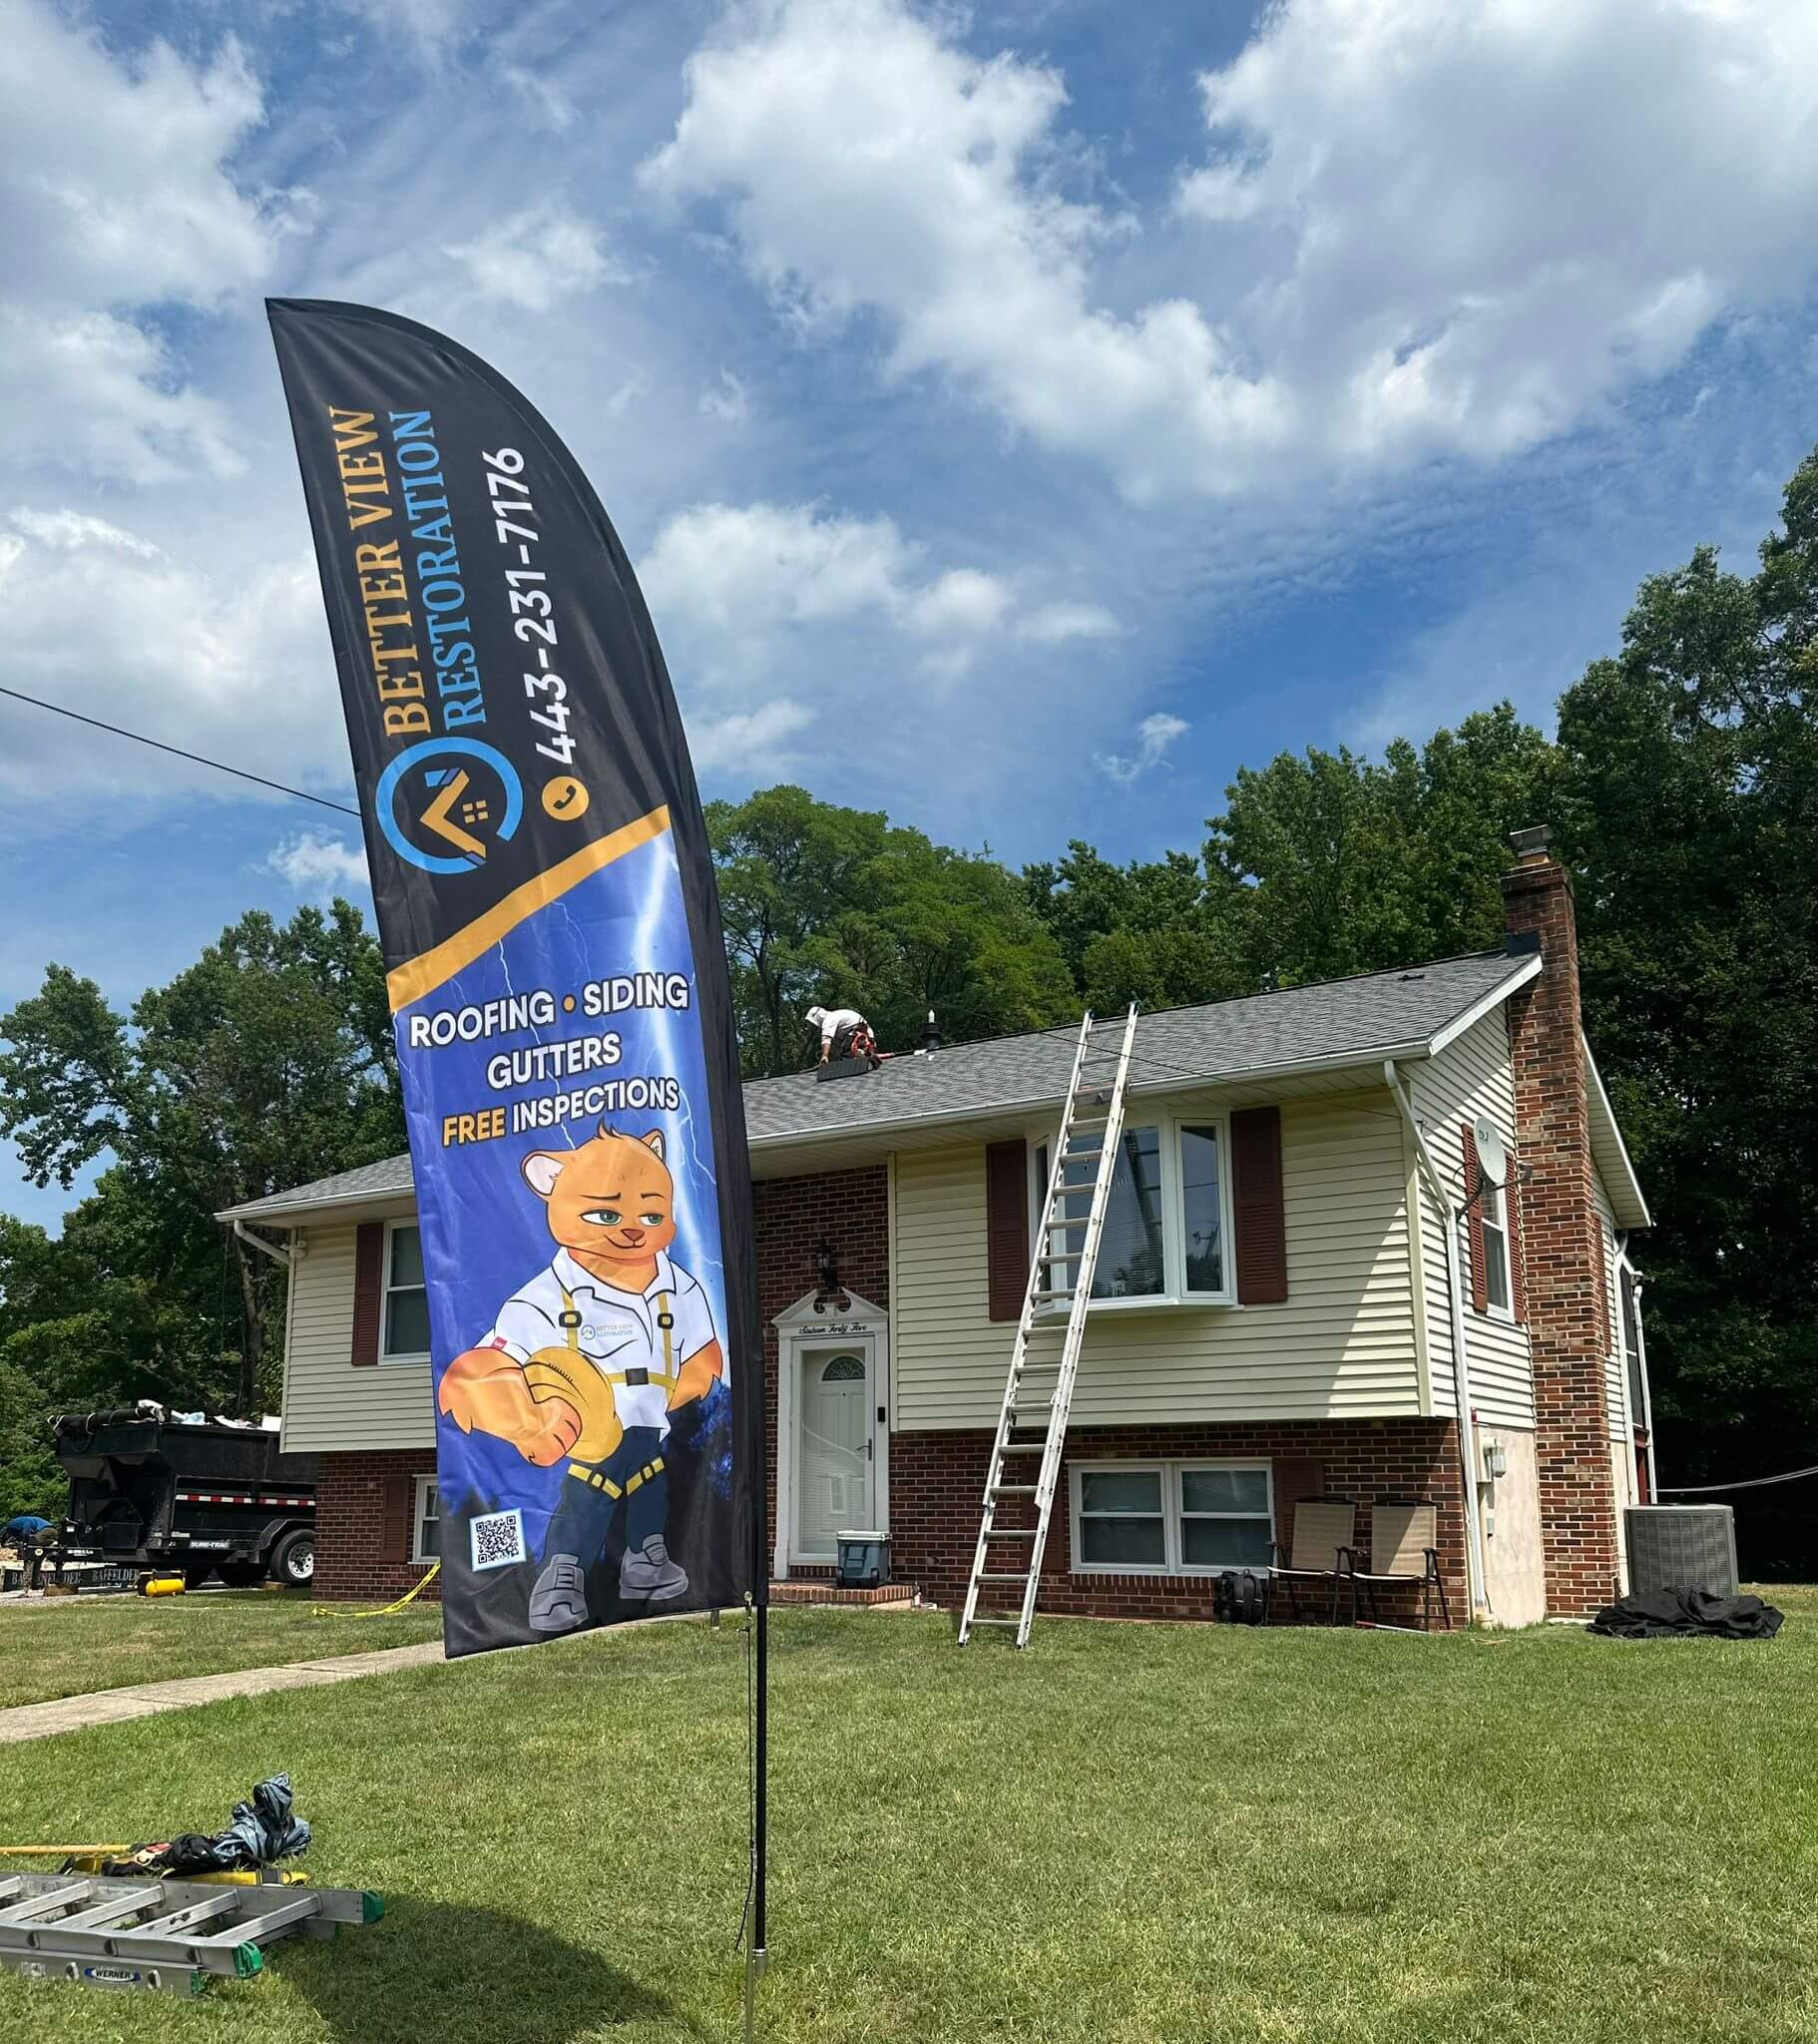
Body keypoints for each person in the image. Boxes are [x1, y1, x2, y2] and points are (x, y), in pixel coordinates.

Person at [805, 1004, 876, 1066]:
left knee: (846, 1058)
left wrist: (825, 1056)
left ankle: (852, 1067)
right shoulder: (836, 1015)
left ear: (818, 1018)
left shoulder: (828, 1020)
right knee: (845, 1054)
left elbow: (826, 1039)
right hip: (865, 1034)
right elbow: (837, 1043)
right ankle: (863, 1055)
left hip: (855, 1034)